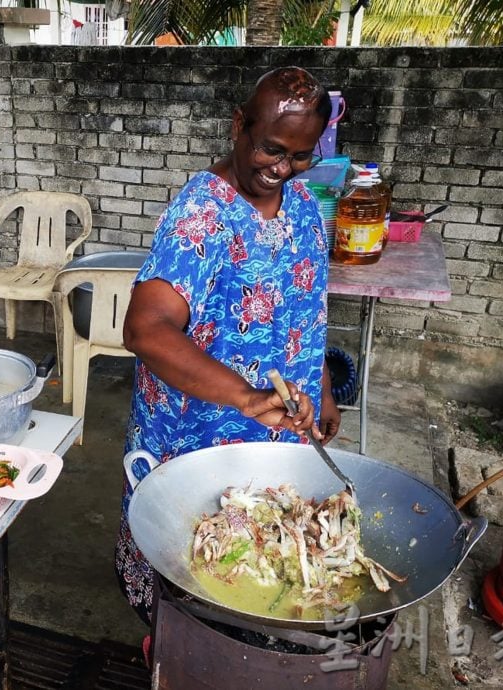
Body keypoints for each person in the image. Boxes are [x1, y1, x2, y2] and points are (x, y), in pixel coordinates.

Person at [116, 66, 342, 622]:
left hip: (275, 430)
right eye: (271, 149)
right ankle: (171, 635)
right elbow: (146, 329)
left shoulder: (305, 208)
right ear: (238, 125)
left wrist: (323, 388)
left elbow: (305, 312)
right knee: (187, 566)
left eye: (301, 156)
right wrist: (244, 397)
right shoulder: (202, 215)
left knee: (256, 563)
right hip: (196, 434)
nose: (283, 169)